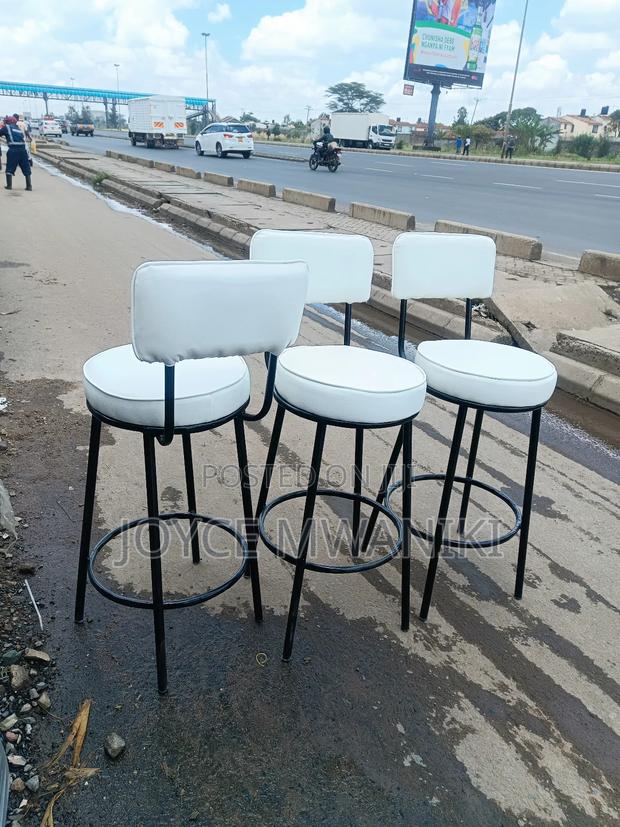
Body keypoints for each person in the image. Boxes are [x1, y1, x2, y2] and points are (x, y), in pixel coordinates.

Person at [0, 116, 32, 190]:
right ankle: (29, 186)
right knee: (26, 167)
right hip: (23, 150)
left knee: (10, 167)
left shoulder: (7, 127)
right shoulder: (18, 128)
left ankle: (9, 186)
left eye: (6, 121)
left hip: (13, 150)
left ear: (8, 122)